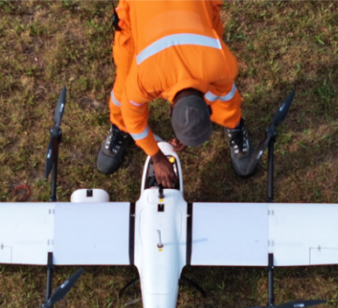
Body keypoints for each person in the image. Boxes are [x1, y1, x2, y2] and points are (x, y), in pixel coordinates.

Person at [97, 0, 256, 188]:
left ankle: (234, 125)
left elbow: (222, 92)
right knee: (122, 92)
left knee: (227, 95)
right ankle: (119, 129)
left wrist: (190, 125)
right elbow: (132, 116)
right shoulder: (143, 78)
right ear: (170, 112)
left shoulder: (220, 64)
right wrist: (156, 157)